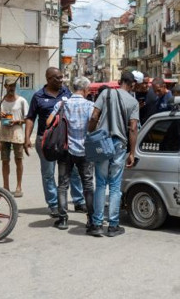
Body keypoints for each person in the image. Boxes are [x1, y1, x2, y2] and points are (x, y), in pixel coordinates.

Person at [25, 67, 85, 217]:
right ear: (48, 79)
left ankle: (78, 201)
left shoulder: (67, 93)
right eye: (57, 78)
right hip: (46, 141)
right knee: (48, 174)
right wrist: (26, 138)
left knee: (74, 172)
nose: (61, 80)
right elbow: (30, 118)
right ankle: (53, 204)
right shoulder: (38, 96)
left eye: (62, 77)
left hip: (66, 139)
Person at [87, 71, 140, 237]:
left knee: (101, 184)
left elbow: (94, 116)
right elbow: (133, 128)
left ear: (119, 81)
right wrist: (132, 152)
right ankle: (113, 226)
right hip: (119, 144)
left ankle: (96, 225)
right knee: (115, 186)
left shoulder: (105, 93)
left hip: (102, 143)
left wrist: (91, 132)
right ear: (132, 84)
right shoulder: (133, 101)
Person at [47, 77, 96, 231]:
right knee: (88, 185)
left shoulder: (62, 103)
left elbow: (48, 122)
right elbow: (94, 124)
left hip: (65, 150)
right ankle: (91, 220)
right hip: (85, 151)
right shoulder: (90, 105)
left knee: (62, 185)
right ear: (86, 89)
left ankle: (62, 220)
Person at [0, 81, 28, 197]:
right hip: (4, 134)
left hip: (17, 134)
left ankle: (19, 186)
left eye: (14, 86)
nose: (12, 88)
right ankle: (6, 187)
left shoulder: (22, 101)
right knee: (5, 161)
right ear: (5, 86)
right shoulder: (0, 100)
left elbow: (28, 119)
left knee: (18, 160)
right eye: (10, 86)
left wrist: (17, 121)